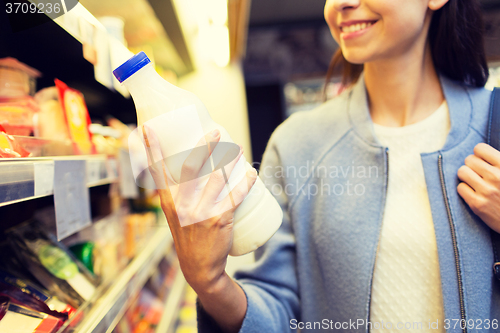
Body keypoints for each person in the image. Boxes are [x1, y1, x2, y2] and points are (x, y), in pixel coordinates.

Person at [144, 0, 500, 332]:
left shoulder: (492, 126)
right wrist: (211, 284)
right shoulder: (297, 144)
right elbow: (280, 311)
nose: (340, 3)